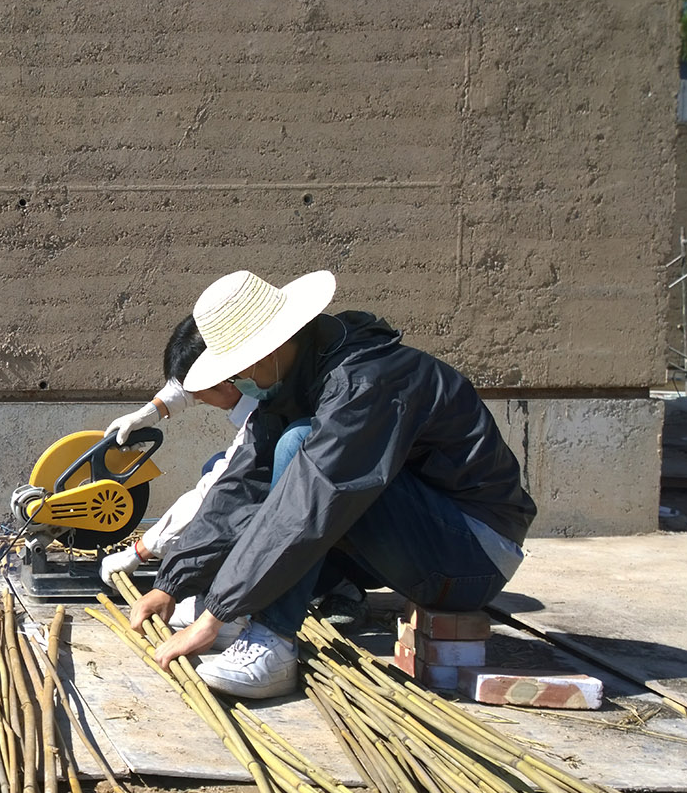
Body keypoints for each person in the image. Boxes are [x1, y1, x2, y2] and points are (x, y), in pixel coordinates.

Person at [128, 269, 535, 699]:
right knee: (273, 458)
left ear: (276, 348)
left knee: (299, 447)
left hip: (471, 557)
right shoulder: (301, 377)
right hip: (429, 540)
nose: (239, 383)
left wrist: (216, 614)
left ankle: (274, 640)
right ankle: (250, 615)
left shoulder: (365, 381)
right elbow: (241, 482)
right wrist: (170, 582)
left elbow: (316, 496)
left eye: (241, 371)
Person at [98, 319, 257, 652]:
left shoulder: (261, 416)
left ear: (227, 381)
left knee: (221, 478)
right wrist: (148, 413)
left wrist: (141, 550)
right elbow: (191, 383)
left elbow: (217, 494)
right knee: (212, 463)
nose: (194, 399)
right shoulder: (246, 364)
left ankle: (246, 612)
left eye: (199, 394)